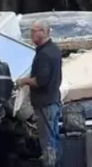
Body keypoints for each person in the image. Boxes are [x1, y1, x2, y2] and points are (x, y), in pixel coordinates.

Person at [17, 21, 62, 167]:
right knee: (54, 138)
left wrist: (24, 81)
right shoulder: (54, 49)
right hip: (54, 100)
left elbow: (41, 81)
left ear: (43, 32)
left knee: (47, 141)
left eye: (33, 31)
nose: (31, 35)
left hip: (45, 104)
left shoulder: (44, 54)